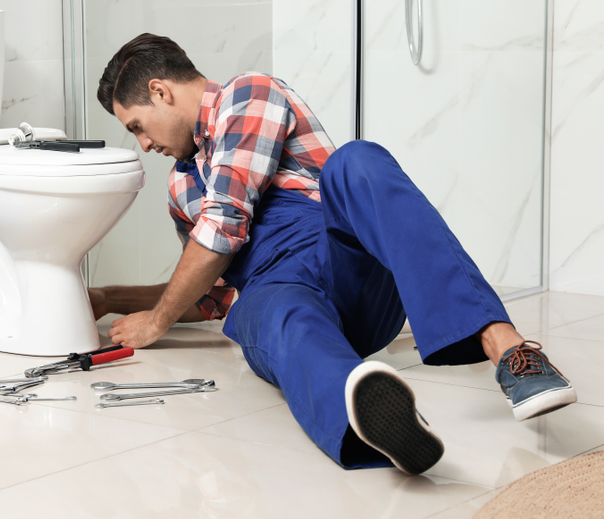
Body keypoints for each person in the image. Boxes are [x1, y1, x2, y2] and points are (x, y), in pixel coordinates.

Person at [87, 33, 576, 474]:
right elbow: (210, 297)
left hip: (347, 269)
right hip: (282, 297)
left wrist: (155, 323)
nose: (144, 143)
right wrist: (113, 298)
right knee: (271, 311)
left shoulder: (247, 94)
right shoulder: (181, 187)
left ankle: (509, 351)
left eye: (136, 126)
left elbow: (225, 225)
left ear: (159, 91)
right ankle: (374, 422)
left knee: (356, 161)